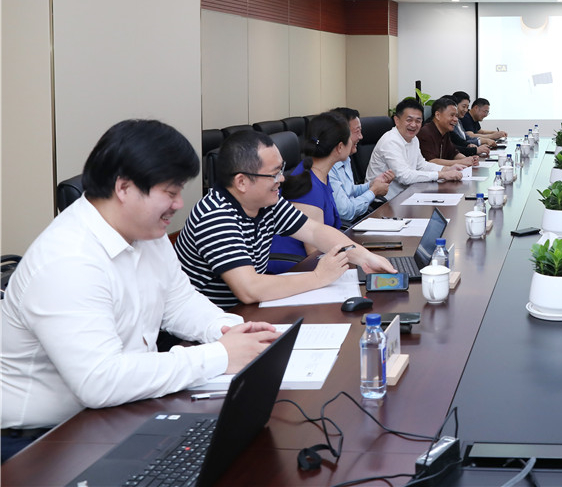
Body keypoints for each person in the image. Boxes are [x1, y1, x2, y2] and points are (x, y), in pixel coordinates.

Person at [1, 120, 280, 462]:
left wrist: (231, 331)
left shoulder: (147, 232)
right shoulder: (67, 261)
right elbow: (100, 381)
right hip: (41, 442)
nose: (179, 204)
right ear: (124, 188)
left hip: (118, 409)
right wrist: (220, 355)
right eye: (170, 192)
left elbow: (179, 302)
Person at [176, 130, 394, 309]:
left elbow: (315, 231)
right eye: (274, 173)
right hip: (210, 329)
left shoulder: (267, 202)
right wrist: (318, 277)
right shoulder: (216, 216)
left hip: (248, 313)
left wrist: (365, 257)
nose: (282, 178)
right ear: (241, 182)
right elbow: (249, 289)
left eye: (281, 169)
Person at [267, 112, 372, 273]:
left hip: (317, 262)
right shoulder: (309, 187)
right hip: (295, 269)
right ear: (339, 147)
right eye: (349, 138)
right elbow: (314, 253)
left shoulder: (318, 174)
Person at [366, 97, 466, 200]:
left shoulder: (413, 139)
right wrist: (441, 174)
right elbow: (405, 177)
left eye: (418, 121)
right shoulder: (390, 141)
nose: (413, 125)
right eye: (409, 120)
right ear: (397, 120)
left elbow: (421, 165)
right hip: (384, 202)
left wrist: (446, 169)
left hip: (407, 196)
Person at [327, 107, 394, 225]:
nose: (361, 137)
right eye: (357, 131)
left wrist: (371, 185)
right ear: (340, 135)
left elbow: (349, 190)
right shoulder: (328, 168)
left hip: (357, 220)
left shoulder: (345, 158)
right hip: (343, 228)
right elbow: (345, 212)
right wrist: (373, 191)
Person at [419, 96, 483, 167]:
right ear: (438, 115)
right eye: (452, 115)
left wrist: (468, 159)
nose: (456, 119)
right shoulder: (425, 132)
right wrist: (461, 162)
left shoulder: (445, 132)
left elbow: (453, 153)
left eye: (456, 116)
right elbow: (431, 161)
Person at [448, 91, 490, 157]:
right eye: (464, 106)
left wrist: (470, 145)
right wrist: (475, 149)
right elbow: (453, 147)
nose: (466, 110)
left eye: (467, 107)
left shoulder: (458, 121)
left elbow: (464, 139)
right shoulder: (453, 123)